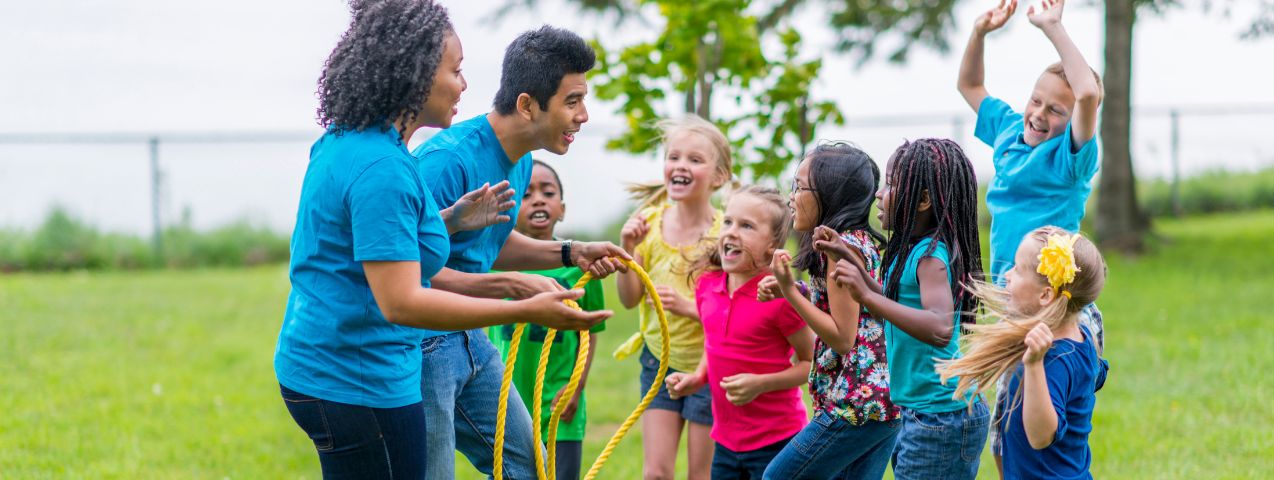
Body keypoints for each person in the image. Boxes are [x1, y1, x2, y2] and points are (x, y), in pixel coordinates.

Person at [274, 3, 608, 478]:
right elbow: (403, 302)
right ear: (414, 74)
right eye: (456, 70)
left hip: (358, 366)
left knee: (528, 466)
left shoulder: (372, 145)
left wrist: (452, 219)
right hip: (355, 378)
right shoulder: (383, 166)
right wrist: (519, 302)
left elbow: (379, 239)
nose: (465, 85)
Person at [411, 25, 630, 480]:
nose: (584, 116)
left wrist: (572, 252)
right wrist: (517, 291)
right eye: (572, 101)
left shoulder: (522, 155)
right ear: (528, 104)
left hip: (474, 334)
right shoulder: (446, 162)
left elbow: (492, 242)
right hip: (425, 342)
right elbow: (410, 278)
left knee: (528, 467)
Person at [956, 0, 1107, 467]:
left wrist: (1053, 28)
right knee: (1006, 435)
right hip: (1013, 301)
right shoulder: (1006, 133)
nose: (1040, 114)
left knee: (1048, 429)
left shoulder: (1071, 158)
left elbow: (1087, 95)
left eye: (1055, 110)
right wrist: (980, 32)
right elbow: (970, 85)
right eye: (1036, 100)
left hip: (1054, 304)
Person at [830, 138, 989, 480]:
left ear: (922, 200)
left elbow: (940, 326)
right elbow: (894, 302)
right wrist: (849, 262)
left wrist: (867, 297)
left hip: (940, 416)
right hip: (922, 411)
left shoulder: (930, 256)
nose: (878, 194)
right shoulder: (911, 252)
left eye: (890, 184)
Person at [759, 143, 900, 480]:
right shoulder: (856, 240)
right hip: (883, 403)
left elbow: (843, 336)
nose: (791, 196)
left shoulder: (841, 247)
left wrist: (791, 292)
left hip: (857, 403)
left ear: (829, 195)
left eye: (800, 187)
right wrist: (801, 291)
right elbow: (856, 312)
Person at [615, 114, 733, 480]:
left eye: (695, 160)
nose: (680, 165)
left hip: (707, 363)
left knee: (700, 475)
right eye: (673, 156)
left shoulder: (725, 233)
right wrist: (627, 247)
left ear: (718, 177)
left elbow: (734, 310)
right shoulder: (648, 223)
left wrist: (688, 307)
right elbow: (629, 299)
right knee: (656, 473)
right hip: (658, 360)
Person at [937, 227, 1108, 480]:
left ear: (1046, 295)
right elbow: (1097, 374)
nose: (1007, 275)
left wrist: (1034, 366)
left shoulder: (1052, 360)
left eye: (1017, 269)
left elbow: (1041, 437)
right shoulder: (1080, 337)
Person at [667, 186, 813, 480]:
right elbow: (714, 343)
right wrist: (698, 377)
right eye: (728, 222)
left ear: (772, 246)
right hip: (725, 441)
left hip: (777, 440)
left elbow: (810, 364)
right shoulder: (707, 286)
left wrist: (761, 384)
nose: (732, 232)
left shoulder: (779, 298)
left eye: (746, 226)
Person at [488, 160, 605, 480]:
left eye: (548, 192)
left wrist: (576, 386)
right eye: (526, 194)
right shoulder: (493, 264)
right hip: (506, 399)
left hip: (559, 401)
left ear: (562, 209)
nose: (538, 199)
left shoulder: (581, 269)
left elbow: (590, 331)